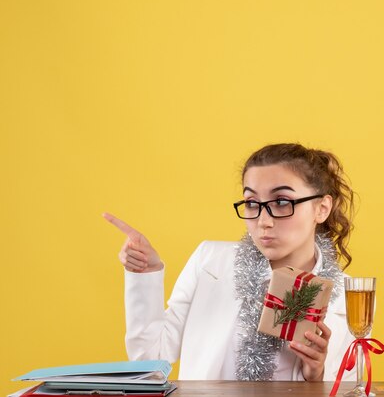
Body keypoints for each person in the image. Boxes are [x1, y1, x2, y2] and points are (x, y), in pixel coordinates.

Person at [103, 143, 356, 382]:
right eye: (252, 203)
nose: (263, 221)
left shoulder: (351, 297)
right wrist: (146, 274)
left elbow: (352, 389)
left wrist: (317, 375)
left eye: (281, 202)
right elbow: (151, 357)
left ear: (321, 208)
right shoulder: (210, 263)